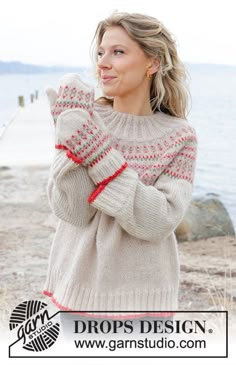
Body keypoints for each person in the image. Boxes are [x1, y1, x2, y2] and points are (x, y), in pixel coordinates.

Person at [43, 12, 197, 338]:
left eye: (118, 52)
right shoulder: (84, 118)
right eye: (100, 53)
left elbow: (160, 219)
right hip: (75, 293)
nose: (103, 63)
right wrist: (67, 137)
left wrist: (99, 155)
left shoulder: (180, 136)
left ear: (152, 63)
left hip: (145, 307)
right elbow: (72, 211)